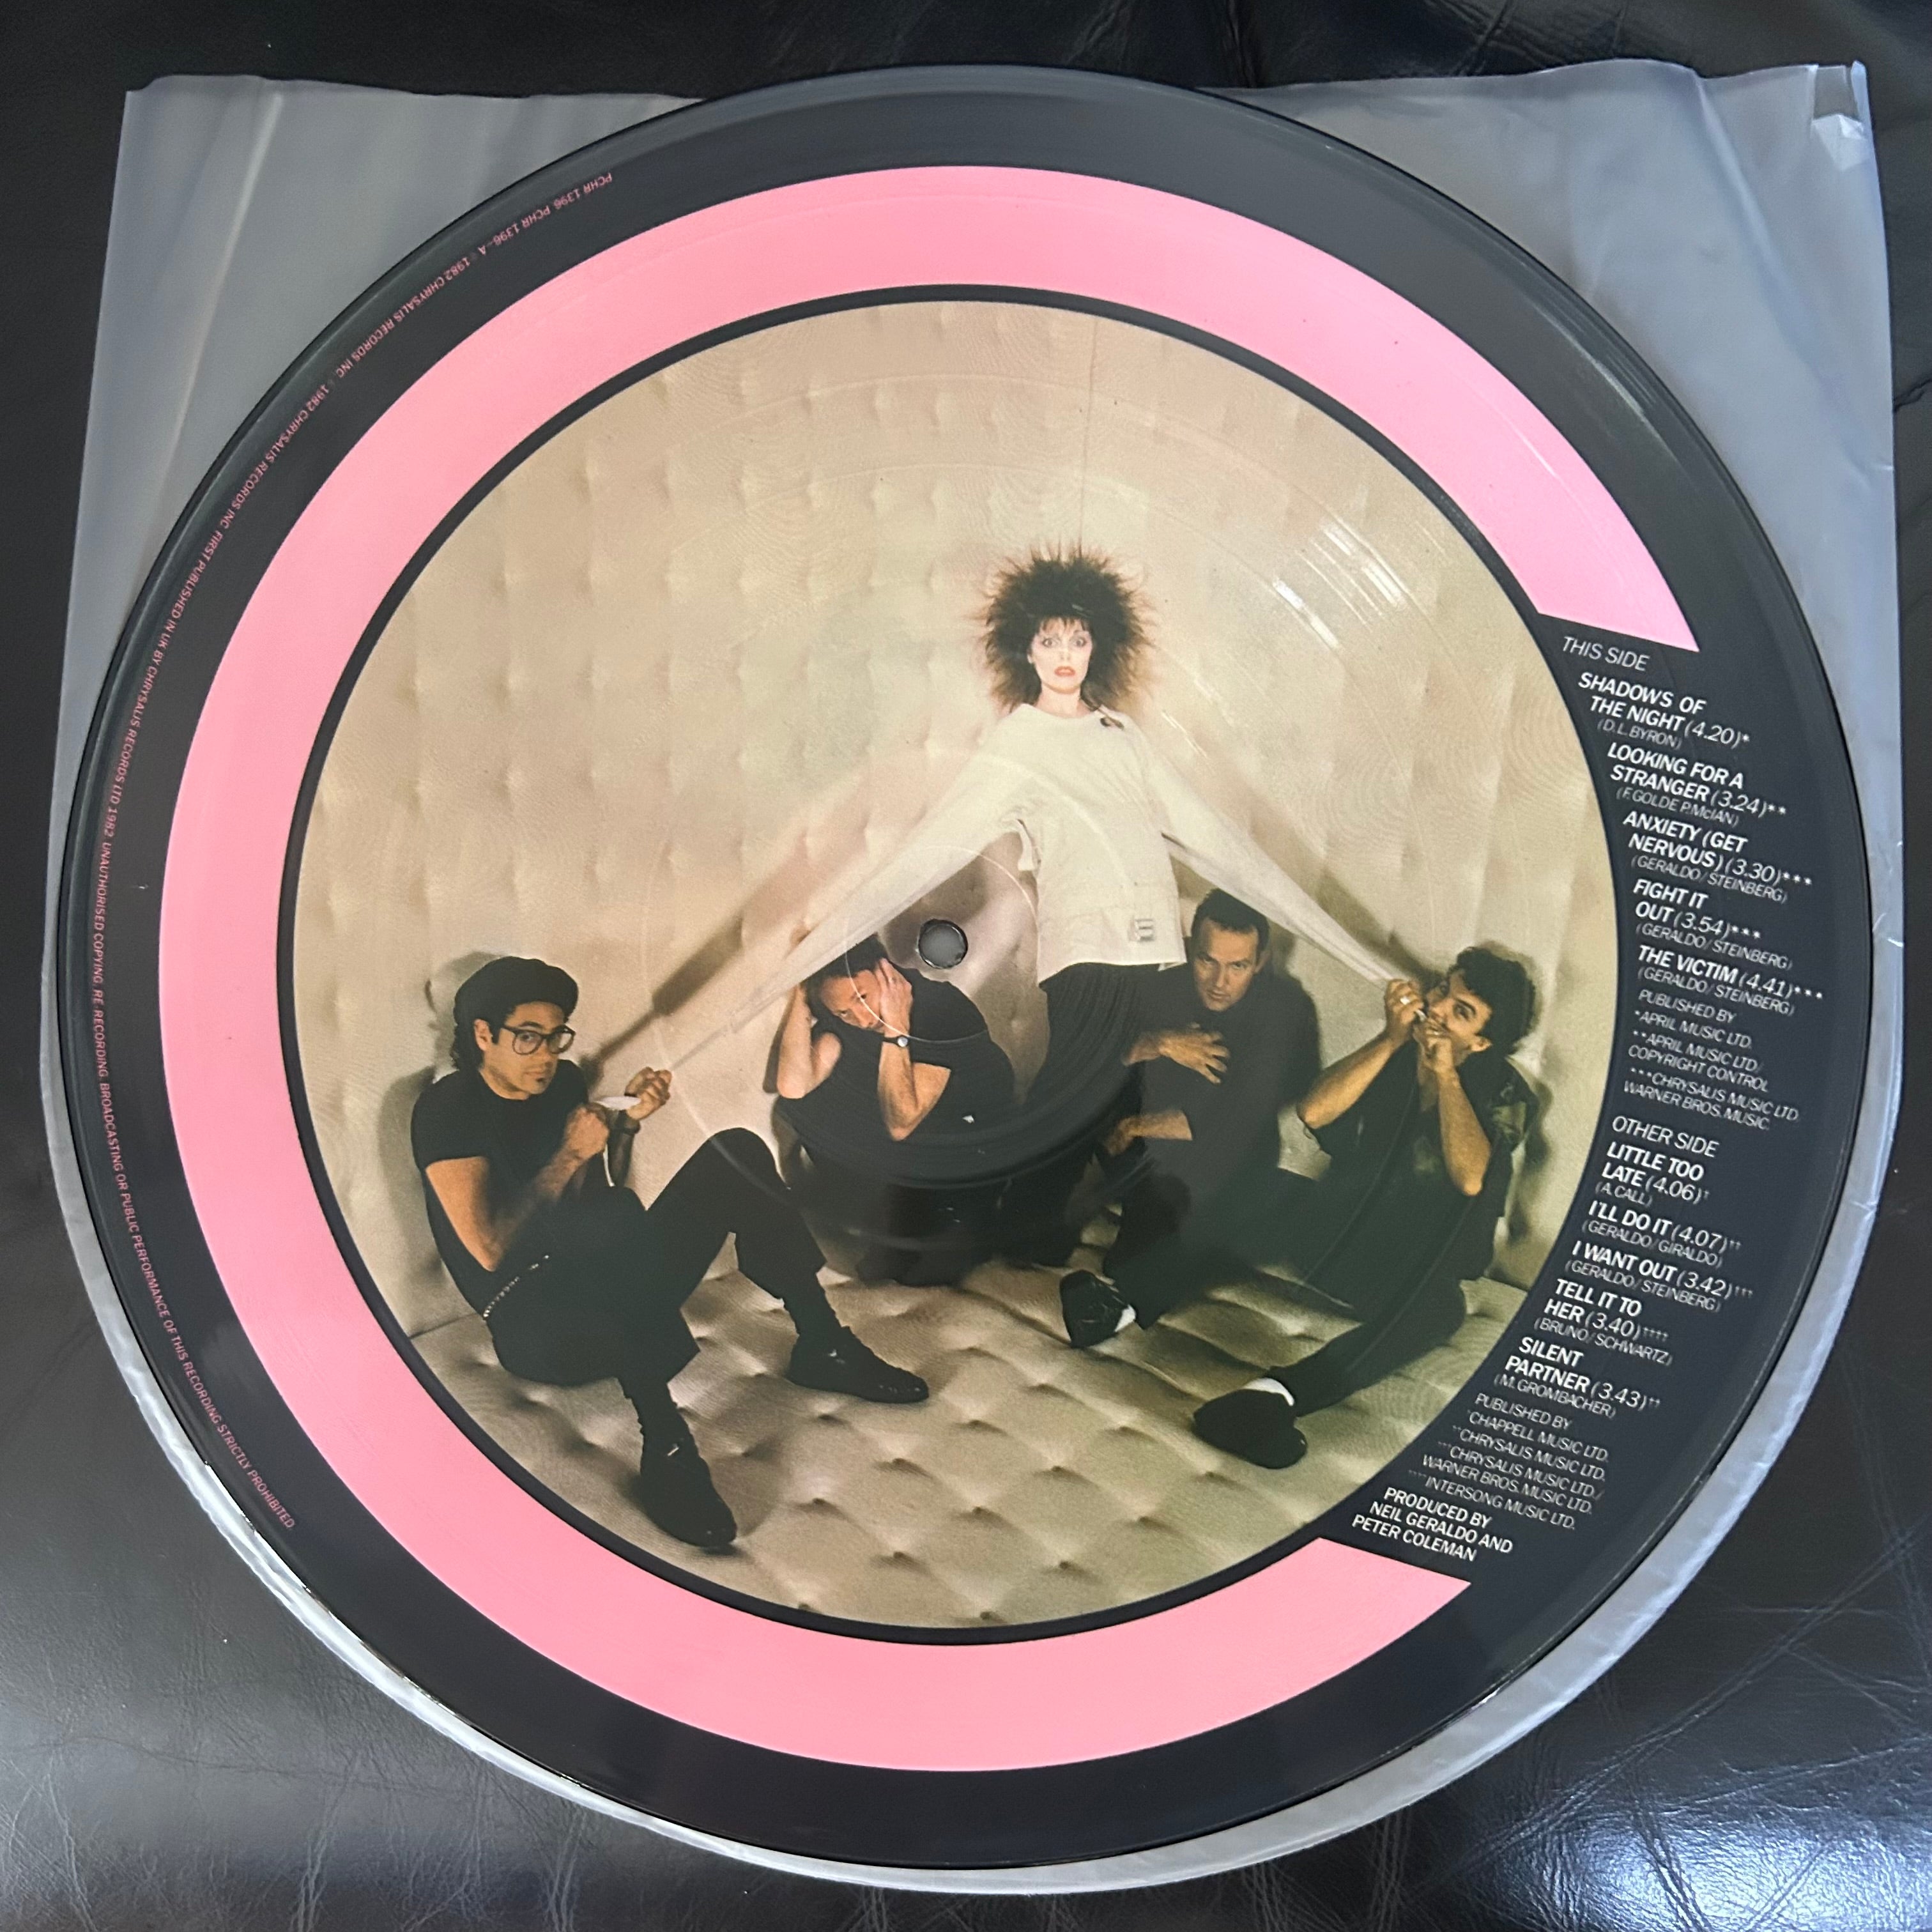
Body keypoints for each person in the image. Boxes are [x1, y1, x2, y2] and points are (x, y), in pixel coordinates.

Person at [746, 548, 1395, 1259]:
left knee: (1114, 1084)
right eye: (1049, 640)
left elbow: (1204, 831)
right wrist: (840, 927)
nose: (1064, 656)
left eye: (1078, 640)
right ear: (1025, 649)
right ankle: (1019, 1225)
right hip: (1085, 947)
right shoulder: (1019, 739)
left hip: (1147, 946)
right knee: (1072, 1090)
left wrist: (1345, 945)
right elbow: (937, 842)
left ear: (1098, 647)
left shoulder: (1121, 735)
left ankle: (1050, 1225)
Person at [410, 956, 927, 1553]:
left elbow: (594, 1193)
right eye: (528, 1038)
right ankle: (668, 1448)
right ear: (483, 1034)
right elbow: (490, 1249)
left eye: (555, 1037)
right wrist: (570, 1154)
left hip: (604, 1280)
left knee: (735, 1152)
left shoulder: (563, 1084)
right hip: (535, 1326)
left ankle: (824, 1345)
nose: (545, 1056)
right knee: (608, 1222)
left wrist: (626, 1127)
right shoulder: (449, 1111)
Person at [1182, 947, 1538, 1469]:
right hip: (1340, 1232)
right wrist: (1389, 1039)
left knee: (1441, 1309)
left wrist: (1446, 1077)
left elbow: (1470, 1178)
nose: (1439, 1009)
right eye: (1443, 991)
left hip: (1403, 1271)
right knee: (1264, 1188)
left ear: (1481, 1042)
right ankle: (1122, 1301)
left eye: (1461, 1012)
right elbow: (1313, 1111)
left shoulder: (1508, 1094)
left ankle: (1276, 1396)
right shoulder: (1396, 1051)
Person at [1057, 890, 1319, 1341]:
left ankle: (1120, 1304)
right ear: (1190, 948)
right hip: (1148, 1155)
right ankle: (1117, 1289)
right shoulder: (1163, 989)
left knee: (1183, 1212)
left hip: (1226, 1158)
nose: (1219, 981)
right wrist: (1158, 1042)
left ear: (1261, 962)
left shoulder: (1283, 1011)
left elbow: (1238, 1120)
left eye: (1238, 966)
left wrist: (1135, 1126)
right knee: (1155, 1196)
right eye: (1207, 961)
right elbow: (1098, 1062)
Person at [772, 936, 1015, 1284]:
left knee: (929, 1267)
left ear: (885, 970)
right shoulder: (844, 1017)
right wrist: (800, 992)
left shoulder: (941, 1009)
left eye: (862, 998)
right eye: (843, 1012)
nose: (860, 1018)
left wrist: (897, 1028)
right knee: (805, 1109)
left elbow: (902, 1122)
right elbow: (793, 1087)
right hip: (914, 1151)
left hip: (975, 1148)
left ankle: (954, 1228)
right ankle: (894, 1225)